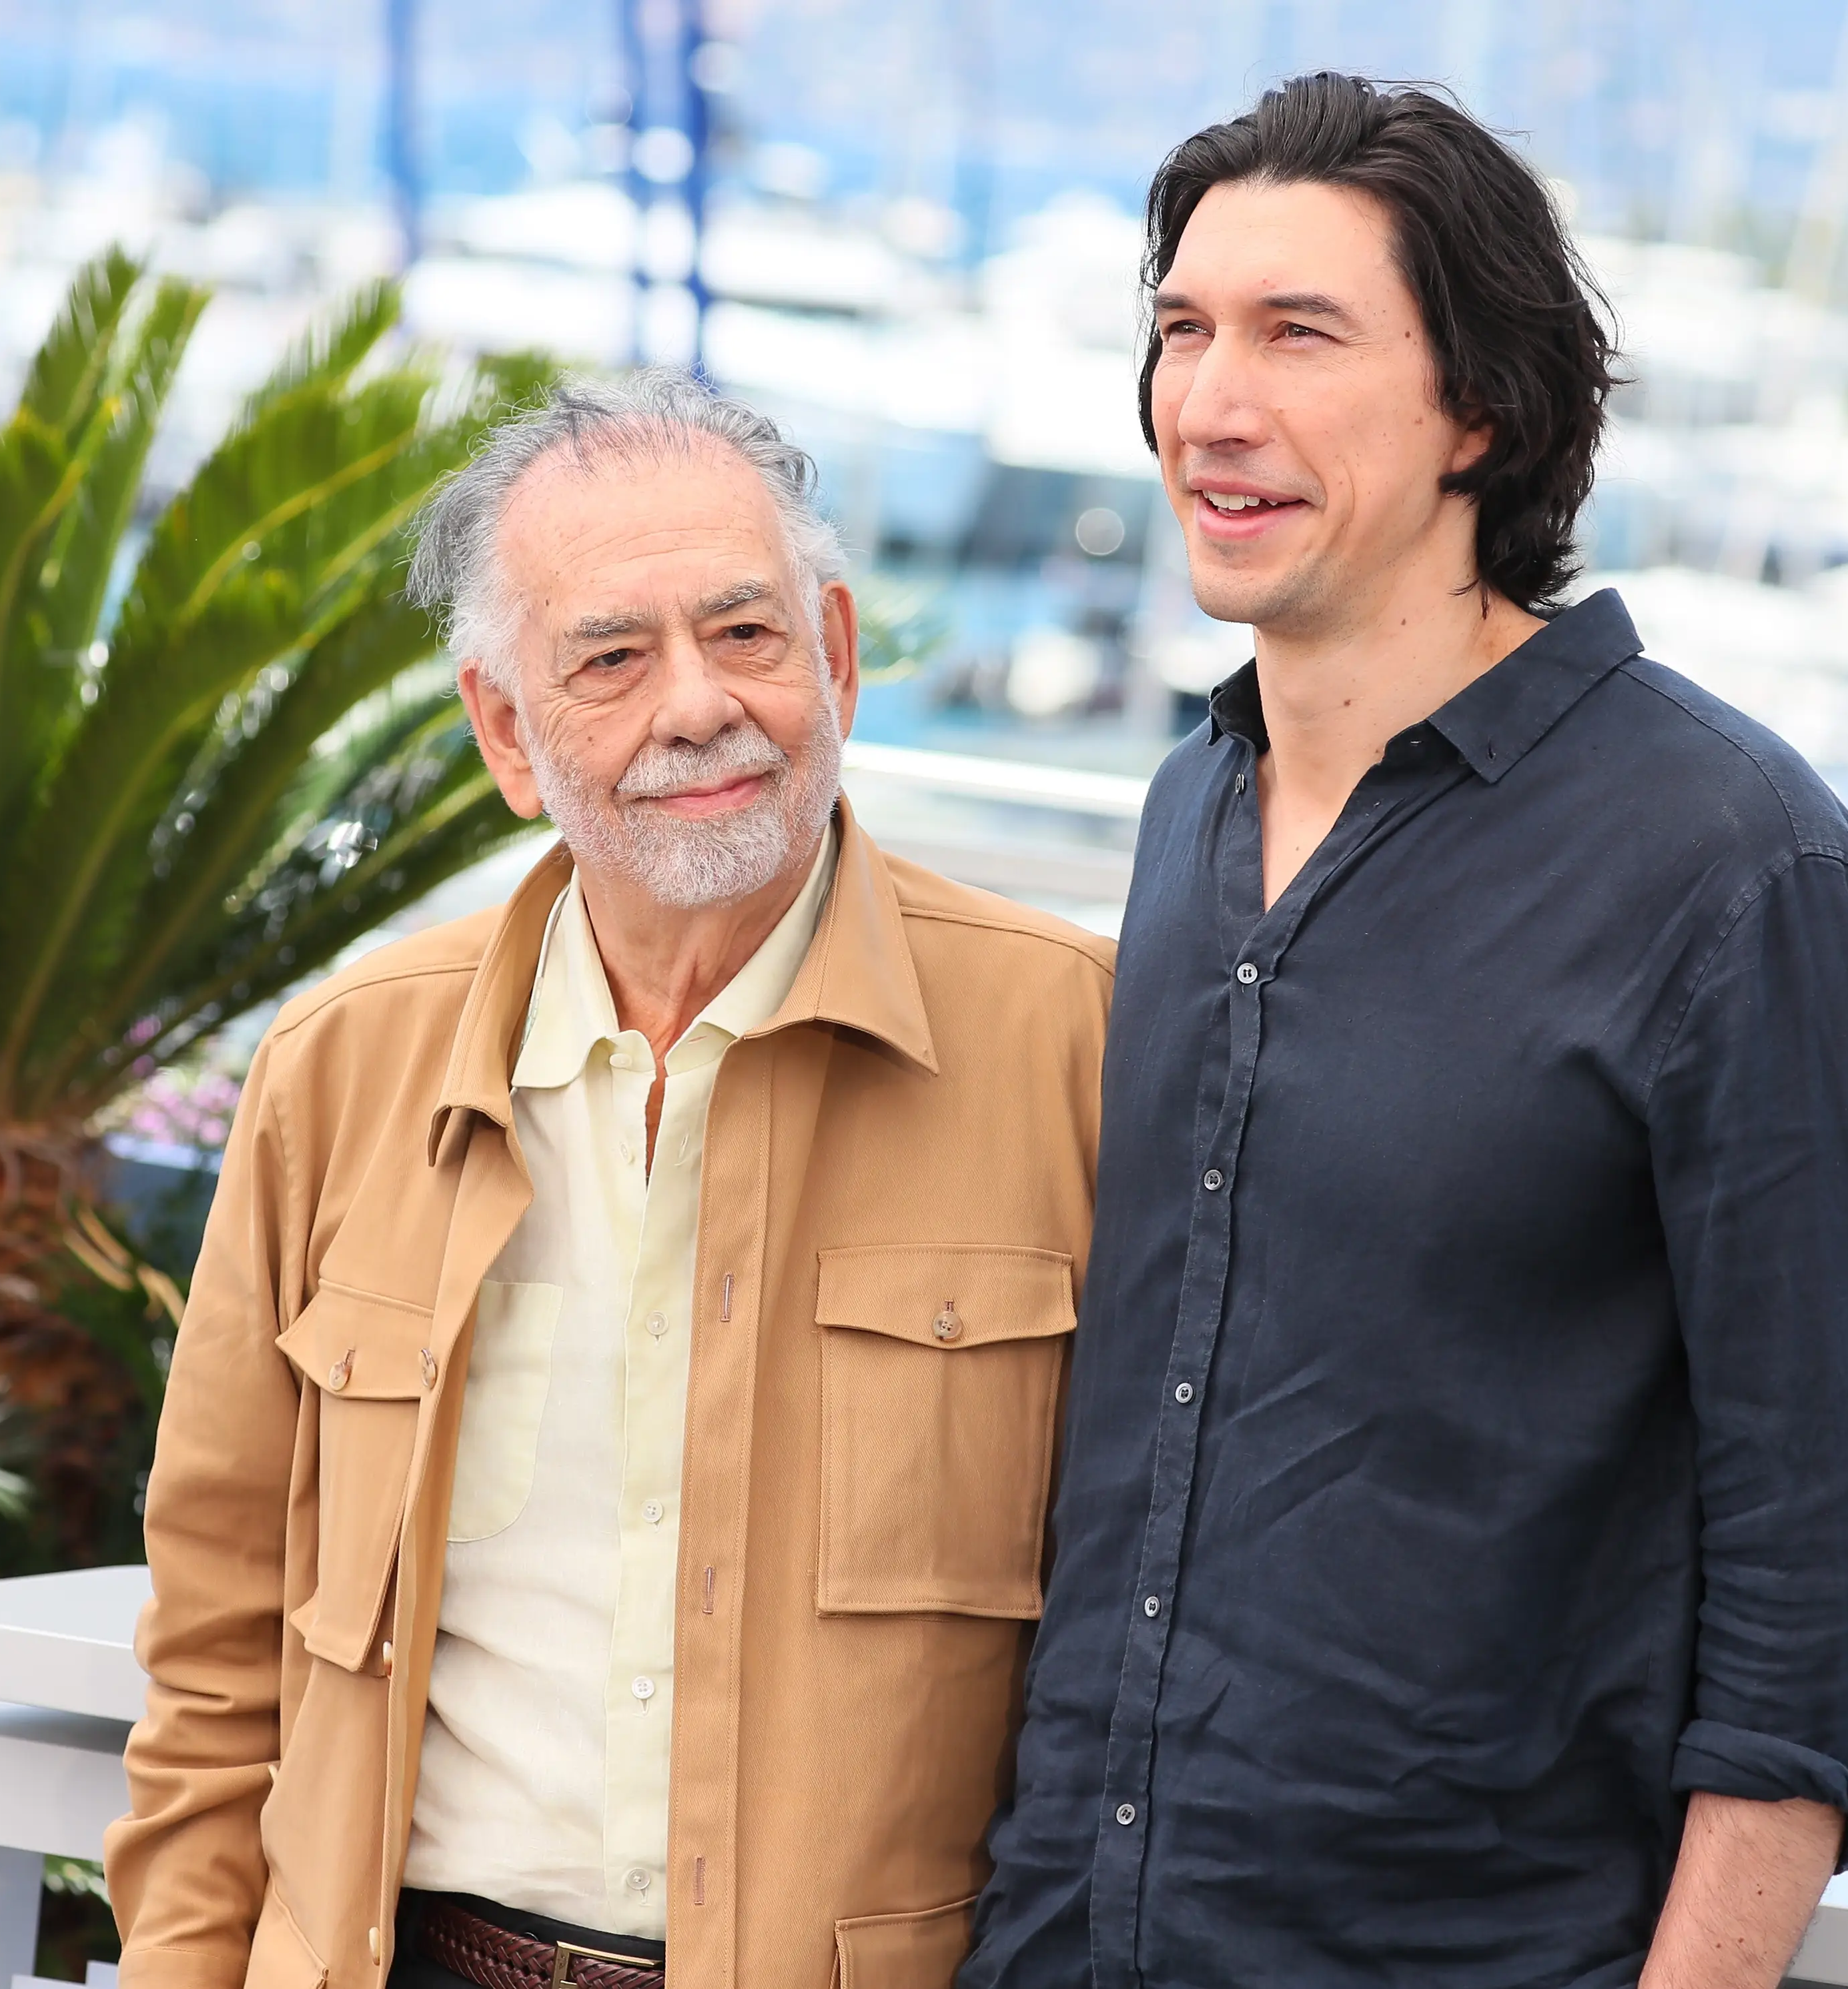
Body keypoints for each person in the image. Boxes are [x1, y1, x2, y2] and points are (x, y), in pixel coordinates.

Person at [963, 73, 1848, 1989]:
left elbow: (1828, 1608)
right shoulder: (1190, 808)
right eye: (1183, 330)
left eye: (1299, 333)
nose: (1210, 402)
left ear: (1483, 406)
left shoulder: (1747, 877)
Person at [105, 372, 1115, 1989]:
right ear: (507, 731)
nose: (698, 706)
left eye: (748, 635)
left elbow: (1153, 1661)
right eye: (611, 660)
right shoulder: (345, 1069)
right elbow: (218, 1652)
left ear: (838, 656)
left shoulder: (1079, 1044)